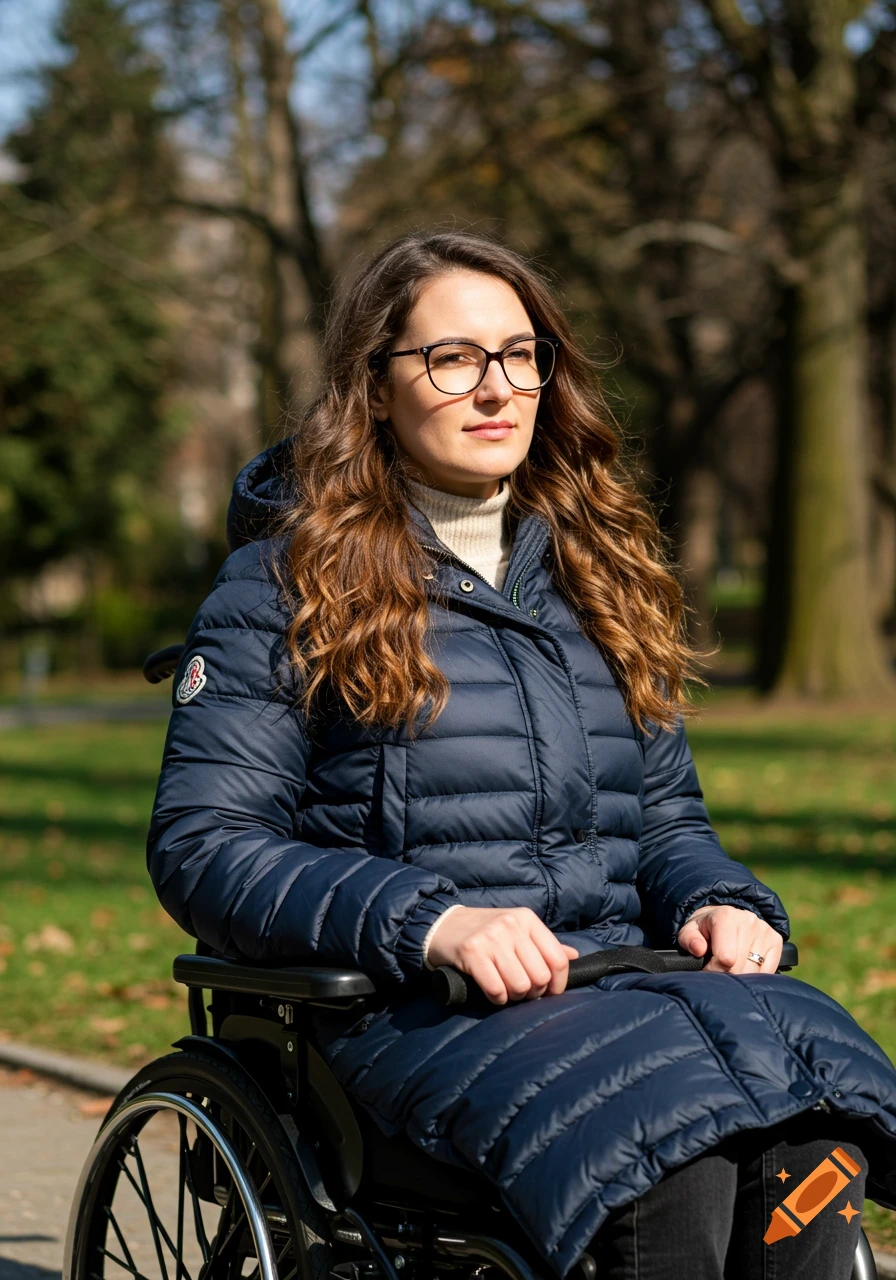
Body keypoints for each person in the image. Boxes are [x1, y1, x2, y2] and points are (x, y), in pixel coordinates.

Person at [148, 229, 896, 1280]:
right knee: (664, 1145)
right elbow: (204, 842)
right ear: (374, 385)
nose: (495, 387)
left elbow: (665, 824)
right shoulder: (279, 586)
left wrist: (723, 899)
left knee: (808, 1119)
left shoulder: (599, 574)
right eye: (453, 358)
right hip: (408, 1007)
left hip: (624, 987)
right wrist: (435, 922)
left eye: (520, 353)